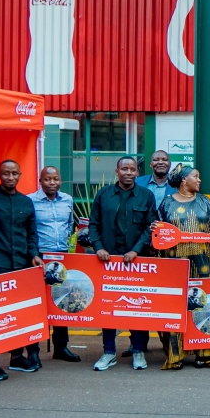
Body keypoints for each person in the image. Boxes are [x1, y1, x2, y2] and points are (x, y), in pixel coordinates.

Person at [155, 165, 210, 370]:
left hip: (205, 264)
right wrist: (155, 228)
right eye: (195, 177)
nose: (199, 180)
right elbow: (159, 234)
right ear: (184, 180)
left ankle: (206, 354)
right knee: (176, 306)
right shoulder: (166, 203)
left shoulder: (206, 202)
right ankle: (175, 355)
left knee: (206, 305)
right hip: (175, 264)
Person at [87, 156, 159, 372]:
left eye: (133, 169)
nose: (129, 172)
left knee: (135, 305)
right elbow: (93, 224)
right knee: (108, 307)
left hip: (135, 262)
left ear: (137, 173)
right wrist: (98, 246)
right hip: (107, 261)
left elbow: (151, 227)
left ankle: (138, 351)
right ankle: (108, 352)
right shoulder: (104, 195)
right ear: (116, 171)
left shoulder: (146, 196)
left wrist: (136, 250)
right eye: (124, 169)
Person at [0, 160, 43, 377]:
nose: (10, 177)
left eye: (14, 173)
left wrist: (34, 255)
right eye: (6, 173)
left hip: (22, 264)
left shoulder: (26, 202)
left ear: (20, 175)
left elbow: (31, 234)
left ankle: (16, 356)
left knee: (18, 313)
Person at [30, 166, 80, 362]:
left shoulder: (67, 199)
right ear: (40, 181)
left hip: (61, 255)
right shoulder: (30, 201)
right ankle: (33, 349)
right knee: (38, 303)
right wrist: (34, 253)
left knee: (61, 300)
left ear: (60, 181)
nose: (52, 182)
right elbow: (29, 229)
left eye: (56, 179)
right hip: (39, 256)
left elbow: (69, 224)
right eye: (47, 179)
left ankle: (61, 346)